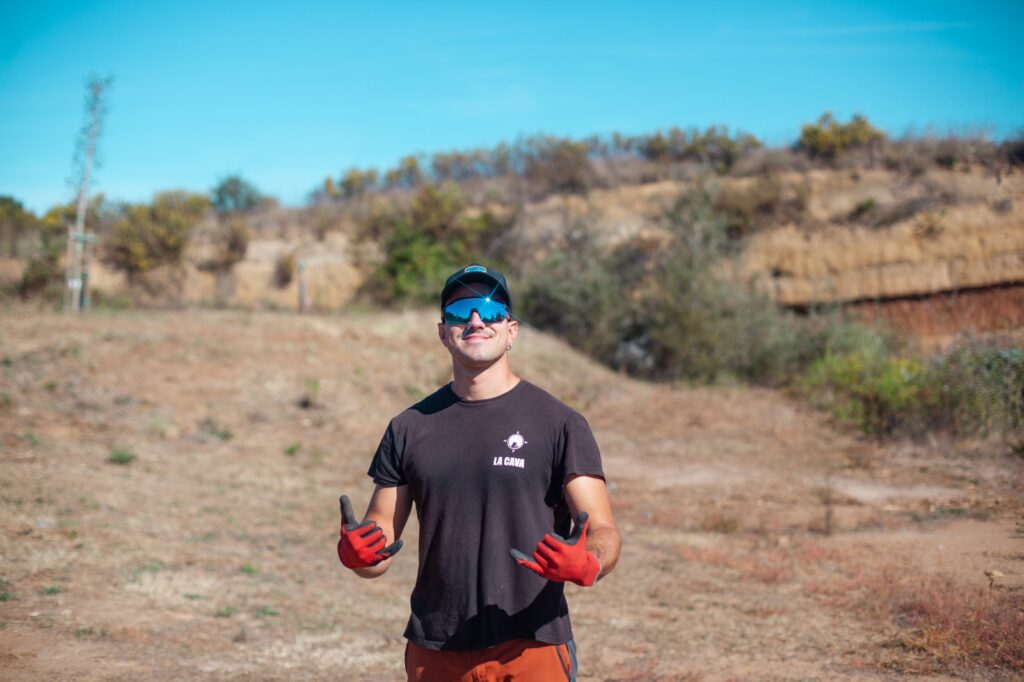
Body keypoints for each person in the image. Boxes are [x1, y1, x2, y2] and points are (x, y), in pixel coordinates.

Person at [337, 263, 621, 681]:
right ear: (442, 332)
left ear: (511, 330)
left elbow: (604, 531)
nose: (475, 320)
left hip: (532, 642)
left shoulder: (560, 423)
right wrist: (359, 556)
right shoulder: (409, 427)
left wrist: (589, 561)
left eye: (490, 311)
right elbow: (379, 540)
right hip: (436, 646)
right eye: (459, 312)